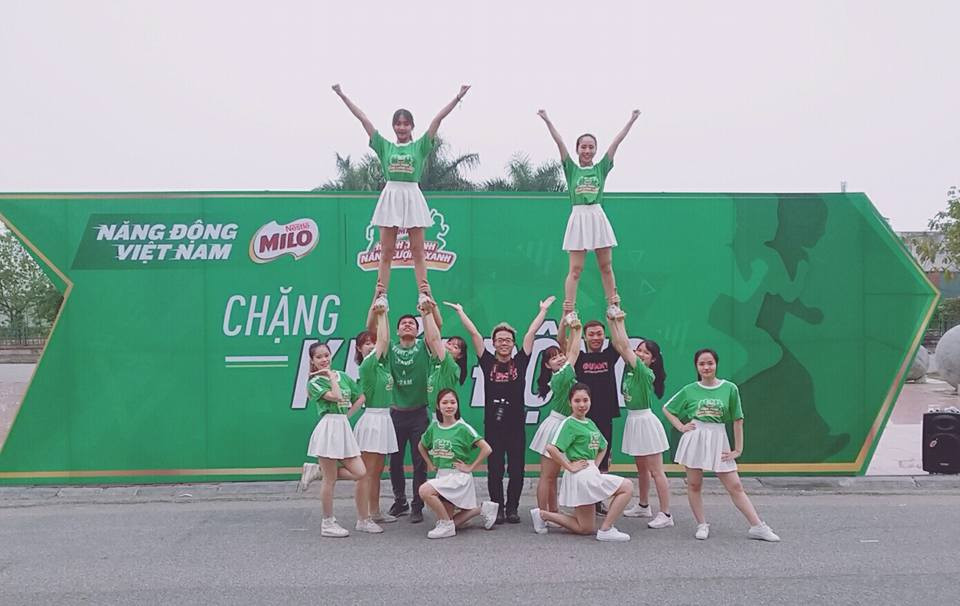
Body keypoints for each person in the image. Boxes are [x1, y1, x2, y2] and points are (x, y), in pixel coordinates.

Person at [332, 83, 471, 308]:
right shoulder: (385, 146)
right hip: (391, 195)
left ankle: (424, 293)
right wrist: (342, 95)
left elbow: (437, 120)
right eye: (398, 123)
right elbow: (364, 120)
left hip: (412, 194)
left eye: (406, 123)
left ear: (412, 126)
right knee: (387, 250)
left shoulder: (420, 147)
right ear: (393, 126)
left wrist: (458, 97)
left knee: (418, 250)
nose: (402, 127)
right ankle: (381, 294)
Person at [444, 296, 555, 524]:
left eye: (508, 340)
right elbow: (475, 334)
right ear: (493, 343)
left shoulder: (520, 362)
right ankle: (498, 509)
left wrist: (543, 311)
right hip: (493, 424)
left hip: (515, 425)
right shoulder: (487, 362)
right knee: (494, 469)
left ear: (513, 344)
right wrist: (461, 312)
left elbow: (531, 333)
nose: (504, 343)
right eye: (500, 340)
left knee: (516, 469)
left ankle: (512, 508)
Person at [661, 349, 781, 542]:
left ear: (716, 364)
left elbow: (738, 419)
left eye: (710, 363)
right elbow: (667, 409)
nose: (706, 367)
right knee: (694, 484)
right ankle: (702, 524)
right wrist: (681, 427)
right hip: (695, 438)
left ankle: (758, 526)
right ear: (696, 367)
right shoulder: (690, 389)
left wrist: (738, 450)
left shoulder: (730, 388)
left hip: (719, 438)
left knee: (735, 485)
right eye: (702, 364)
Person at [536, 108, 640, 321]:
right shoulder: (571, 169)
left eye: (591, 147)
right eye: (583, 146)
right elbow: (559, 142)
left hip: (597, 216)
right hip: (578, 217)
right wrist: (547, 120)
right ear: (577, 149)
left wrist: (631, 120)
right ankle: (570, 310)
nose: (587, 150)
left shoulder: (601, 168)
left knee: (606, 266)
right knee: (575, 269)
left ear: (595, 150)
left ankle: (613, 305)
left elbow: (617, 142)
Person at [530, 383, 634, 542]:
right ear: (570, 403)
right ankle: (606, 529)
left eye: (585, 400)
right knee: (627, 486)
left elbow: (604, 446)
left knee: (585, 528)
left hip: (589, 473)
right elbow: (551, 448)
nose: (582, 405)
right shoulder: (569, 423)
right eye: (577, 401)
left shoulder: (590, 423)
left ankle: (543, 515)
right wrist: (569, 466)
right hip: (580, 476)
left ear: (590, 401)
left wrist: (595, 466)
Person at [607, 315, 673, 529]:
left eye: (646, 352)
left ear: (653, 360)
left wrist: (619, 319)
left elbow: (625, 346)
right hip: (633, 420)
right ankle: (644, 506)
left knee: (656, 471)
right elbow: (619, 344)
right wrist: (611, 321)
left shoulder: (645, 372)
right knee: (641, 469)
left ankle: (666, 514)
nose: (640, 353)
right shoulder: (630, 368)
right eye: (640, 350)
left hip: (645, 422)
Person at [302, 341, 367, 538]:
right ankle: (327, 523)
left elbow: (360, 397)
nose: (324, 359)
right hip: (328, 428)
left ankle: (318, 470)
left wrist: (347, 416)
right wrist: (330, 376)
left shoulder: (343, 376)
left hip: (342, 426)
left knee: (360, 472)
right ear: (312, 361)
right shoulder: (314, 382)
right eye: (319, 357)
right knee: (330, 481)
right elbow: (337, 396)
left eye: (326, 355)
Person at [417, 388, 499, 538]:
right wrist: (429, 463)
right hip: (442, 476)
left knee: (424, 491)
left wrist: (470, 467)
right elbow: (421, 446)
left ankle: (447, 526)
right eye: (445, 403)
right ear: (438, 406)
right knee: (450, 520)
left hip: (457, 477)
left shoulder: (463, 427)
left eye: (452, 402)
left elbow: (487, 448)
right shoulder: (434, 427)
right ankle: (482, 509)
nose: (449, 406)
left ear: (457, 405)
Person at [558, 319, 620, 514]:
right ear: (584, 337)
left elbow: (620, 340)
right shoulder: (580, 357)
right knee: (582, 459)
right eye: (591, 334)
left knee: (602, 459)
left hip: (605, 415)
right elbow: (562, 342)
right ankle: (581, 500)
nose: (595, 337)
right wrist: (567, 320)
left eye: (599, 333)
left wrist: (614, 316)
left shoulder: (609, 355)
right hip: (582, 418)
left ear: (604, 336)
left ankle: (598, 500)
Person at [352, 301, 402, 530]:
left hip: (384, 419)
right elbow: (383, 341)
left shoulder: (382, 365)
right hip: (372, 420)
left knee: (378, 471)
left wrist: (383, 314)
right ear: (358, 349)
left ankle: (375, 512)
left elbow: (385, 340)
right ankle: (363, 519)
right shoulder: (367, 366)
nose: (371, 345)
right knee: (366, 473)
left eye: (372, 342)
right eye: (366, 343)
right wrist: (382, 312)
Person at [529, 315, 583, 516]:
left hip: (563, 425)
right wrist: (577, 328)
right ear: (547, 365)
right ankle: (541, 515)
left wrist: (571, 326)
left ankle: (553, 511)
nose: (560, 358)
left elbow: (570, 350)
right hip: (555, 427)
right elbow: (574, 351)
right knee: (548, 476)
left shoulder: (563, 373)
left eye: (560, 354)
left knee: (552, 477)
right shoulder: (560, 376)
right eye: (554, 358)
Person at [418, 298, 469, 407]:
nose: (450, 347)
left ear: (460, 355)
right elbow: (430, 339)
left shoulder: (452, 366)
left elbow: (435, 339)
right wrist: (424, 315)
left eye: (455, 347)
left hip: (444, 413)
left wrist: (429, 312)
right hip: (434, 413)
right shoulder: (438, 362)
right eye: (449, 343)